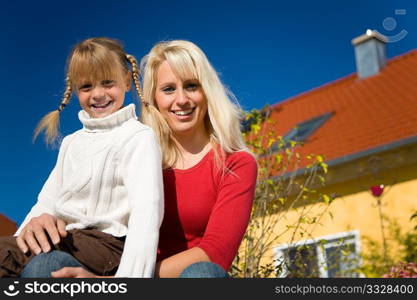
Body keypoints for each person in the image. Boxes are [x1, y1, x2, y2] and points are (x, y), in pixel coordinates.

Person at [21, 40, 257, 278]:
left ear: (207, 91)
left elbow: (215, 252)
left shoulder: (236, 164)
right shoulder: (134, 150)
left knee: (203, 273)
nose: (182, 99)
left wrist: (113, 283)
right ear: (152, 97)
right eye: (168, 89)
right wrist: (43, 219)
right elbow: (66, 197)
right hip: (112, 266)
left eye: (191, 86)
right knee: (46, 266)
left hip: (147, 278)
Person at [0, 37, 164, 278]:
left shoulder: (138, 137)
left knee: (32, 261)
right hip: (68, 239)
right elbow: (46, 203)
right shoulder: (71, 143)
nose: (98, 94)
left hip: (108, 247)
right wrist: (20, 241)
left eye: (108, 83)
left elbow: (146, 212)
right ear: (75, 90)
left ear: (127, 82)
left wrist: (129, 282)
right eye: (86, 87)